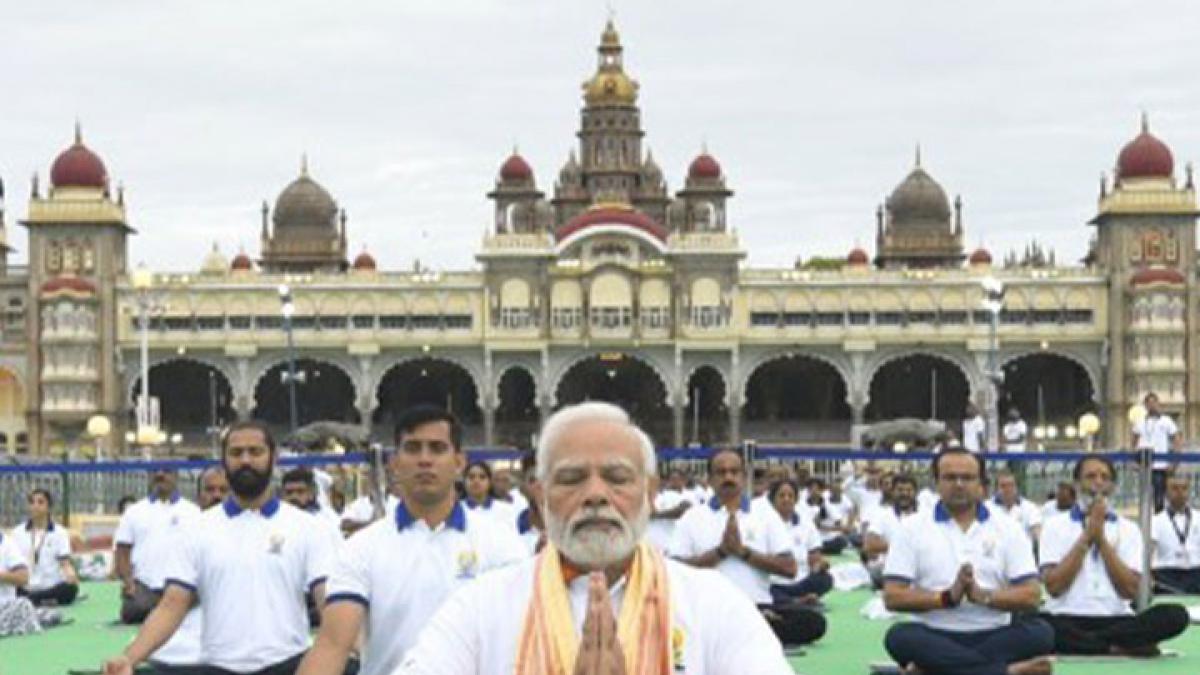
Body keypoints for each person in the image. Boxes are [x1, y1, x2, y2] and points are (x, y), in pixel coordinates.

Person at [396, 402, 794, 674]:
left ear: (650, 492)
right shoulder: (480, 608)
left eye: (618, 478)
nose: (596, 495)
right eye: (571, 479)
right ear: (541, 493)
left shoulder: (714, 604)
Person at [299, 406, 524, 675]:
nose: (425, 459)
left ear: (459, 462)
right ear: (394, 462)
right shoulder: (362, 548)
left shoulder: (502, 545)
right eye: (413, 448)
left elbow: (523, 639)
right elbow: (332, 646)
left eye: (437, 448)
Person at [103, 421, 335, 675]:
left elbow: (331, 604)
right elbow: (172, 605)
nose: (245, 460)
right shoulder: (196, 529)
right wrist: (130, 658)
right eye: (236, 453)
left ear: (273, 458)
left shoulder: (309, 528)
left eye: (255, 452)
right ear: (224, 461)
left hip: (289, 664)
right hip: (218, 666)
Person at [883, 449, 1054, 675]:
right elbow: (893, 596)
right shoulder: (912, 528)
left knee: (1041, 632)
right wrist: (946, 597)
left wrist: (983, 596)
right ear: (936, 483)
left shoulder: (1008, 527)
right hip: (934, 632)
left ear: (981, 484)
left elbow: (1032, 595)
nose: (959, 484)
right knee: (899, 636)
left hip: (995, 632)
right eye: (950, 477)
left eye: (967, 477)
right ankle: (1007, 672)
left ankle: (934, 671)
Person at [671, 448, 826, 647]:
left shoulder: (765, 515)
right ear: (709, 479)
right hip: (708, 610)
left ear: (744, 477)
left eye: (734, 472)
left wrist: (743, 552)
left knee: (813, 622)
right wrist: (720, 552)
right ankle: (750, 634)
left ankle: (746, 631)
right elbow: (674, 571)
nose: (728, 477)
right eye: (721, 472)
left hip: (755, 606)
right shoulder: (692, 518)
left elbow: (790, 568)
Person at [1038, 455, 1189, 656]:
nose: (1098, 482)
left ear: (1113, 486)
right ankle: (1113, 647)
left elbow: (1130, 590)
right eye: (1090, 476)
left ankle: (1091, 646)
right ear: (1076, 484)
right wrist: (1086, 537)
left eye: (1104, 477)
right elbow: (1054, 587)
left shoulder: (1128, 529)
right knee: (1032, 624)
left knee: (1176, 615)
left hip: (1116, 618)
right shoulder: (1054, 526)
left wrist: (1100, 540)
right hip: (1065, 617)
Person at [114, 467, 201, 624]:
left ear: (176, 475)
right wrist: (128, 583)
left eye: (167, 471)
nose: (160, 475)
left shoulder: (193, 512)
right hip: (145, 586)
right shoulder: (133, 512)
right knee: (133, 611)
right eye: (155, 471)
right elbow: (122, 551)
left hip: (181, 585)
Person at [767, 479, 832, 604]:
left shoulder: (806, 523)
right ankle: (797, 601)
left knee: (825, 579)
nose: (786, 499)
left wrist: (819, 566)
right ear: (772, 500)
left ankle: (796, 599)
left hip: (801, 581)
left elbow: (814, 558)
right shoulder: (763, 523)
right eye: (781, 496)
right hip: (774, 582)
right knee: (765, 591)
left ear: (796, 500)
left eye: (790, 496)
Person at [11, 488, 79, 606]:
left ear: (49, 507)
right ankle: (37, 599)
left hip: (51, 586)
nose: (35, 506)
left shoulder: (60, 532)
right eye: (32, 502)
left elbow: (65, 563)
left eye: (40, 502)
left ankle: (33, 600)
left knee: (70, 589)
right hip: (26, 586)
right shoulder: (17, 532)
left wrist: (71, 575)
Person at [862, 474, 919, 588]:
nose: (904, 494)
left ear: (915, 493)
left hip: (919, 567)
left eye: (909, 490)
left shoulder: (925, 515)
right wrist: (904, 547)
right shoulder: (883, 515)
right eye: (900, 490)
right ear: (892, 492)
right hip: (889, 568)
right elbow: (869, 545)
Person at [1151, 472, 1200, 594]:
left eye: (1184, 488)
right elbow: (1148, 552)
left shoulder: (1199, 518)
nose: (1179, 493)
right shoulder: (1155, 521)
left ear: (1189, 491)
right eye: (1174, 488)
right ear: (1166, 492)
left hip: (1196, 573)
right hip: (1166, 575)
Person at [1132, 392, 1182, 511]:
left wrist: (1174, 461)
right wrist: (1134, 458)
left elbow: (1176, 439)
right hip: (1144, 463)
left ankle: (1159, 517)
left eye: (1154, 403)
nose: (1152, 406)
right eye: (1149, 403)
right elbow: (1133, 440)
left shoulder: (1166, 421)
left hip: (1161, 465)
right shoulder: (1140, 422)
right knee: (1144, 494)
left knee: (1159, 495)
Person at [462, 460, 519, 531]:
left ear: (490, 482)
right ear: (464, 481)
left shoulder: (505, 510)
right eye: (471, 477)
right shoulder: (458, 510)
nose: (476, 481)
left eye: (482, 477)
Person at [991, 471, 1043, 546]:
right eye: (1003, 486)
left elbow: (1037, 533)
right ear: (996, 489)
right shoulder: (986, 507)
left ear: (1017, 487)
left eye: (1011, 485)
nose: (1008, 489)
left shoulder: (1030, 508)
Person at [646, 467, 692, 551]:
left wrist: (656, 515)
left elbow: (684, 510)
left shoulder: (672, 495)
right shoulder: (644, 498)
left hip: (669, 547)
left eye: (676, 479)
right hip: (649, 549)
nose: (673, 481)